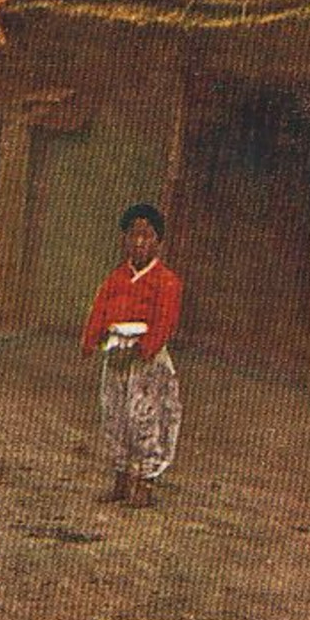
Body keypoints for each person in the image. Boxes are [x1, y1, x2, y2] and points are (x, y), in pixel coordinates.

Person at [81, 203, 184, 509]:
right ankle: (121, 478)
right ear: (124, 239)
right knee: (115, 414)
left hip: (146, 360)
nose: (139, 242)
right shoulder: (115, 279)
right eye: (133, 235)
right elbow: (99, 311)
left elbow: (165, 320)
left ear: (158, 242)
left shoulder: (167, 281)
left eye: (147, 236)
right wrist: (92, 342)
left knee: (146, 417)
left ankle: (145, 482)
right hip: (116, 354)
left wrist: (145, 349)